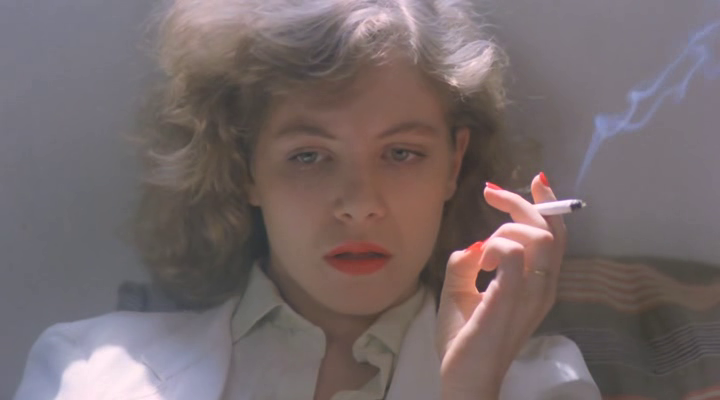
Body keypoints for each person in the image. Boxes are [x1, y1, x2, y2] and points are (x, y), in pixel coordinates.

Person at [14, 0, 601, 399]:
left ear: (453, 163)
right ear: (245, 166)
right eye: (309, 156)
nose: (359, 204)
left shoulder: (543, 383)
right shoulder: (89, 369)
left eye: (401, 153)